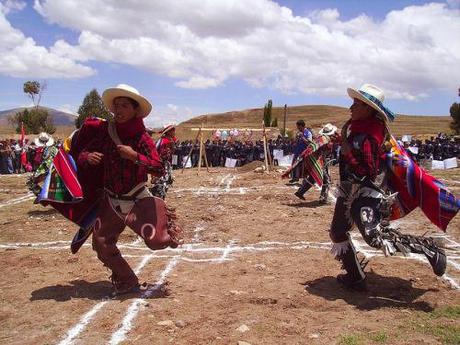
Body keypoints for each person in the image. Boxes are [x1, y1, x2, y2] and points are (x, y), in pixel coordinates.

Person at [329, 84, 455, 291]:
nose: (351, 108)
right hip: (349, 190)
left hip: (367, 192)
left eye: (356, 104)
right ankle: (355, 277)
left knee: (375, 237)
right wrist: (344, 143)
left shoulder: (370, 134)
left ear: (369, 109)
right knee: (338, 231)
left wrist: (347, 150)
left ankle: (431, 249)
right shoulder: (358, 129)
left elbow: (367, 172)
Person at [77, 84, 182, 295]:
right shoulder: (106, 133)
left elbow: (158, 167)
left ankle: (167, 225)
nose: (118, 110)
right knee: (101, 243)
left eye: (124, 105)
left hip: (137, 198)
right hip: (111, 201)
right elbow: (82, 152)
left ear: (135, 110)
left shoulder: (142, 138)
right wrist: (87, 157)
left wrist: (134, 156)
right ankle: (126, 280)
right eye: (116, 106)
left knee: (157, 241)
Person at [293, 123, 338, 204]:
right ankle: (323, 198)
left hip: (317, 162)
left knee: (313, 178)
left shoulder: (321, 139)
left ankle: (300, 192)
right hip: (319, 163)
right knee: (326, 180)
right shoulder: (327, 141)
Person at [149, 124, 177, 199]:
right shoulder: (163, 141)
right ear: (169, 132)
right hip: (160, 165)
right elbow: (157, 153)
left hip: (166, 165)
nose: (175, 132)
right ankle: (158, 201)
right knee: (160, 184)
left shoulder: (170, 140)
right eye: (173, 130)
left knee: (166, 183)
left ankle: (161, 200)